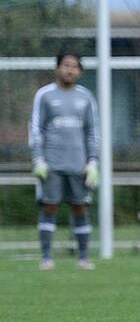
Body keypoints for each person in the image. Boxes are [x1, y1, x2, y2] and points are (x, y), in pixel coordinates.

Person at [29, 52, 100, 271]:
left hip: (79, 165)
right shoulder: (45, 95)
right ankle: (47, 257)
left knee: (80, 207)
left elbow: (92, 131)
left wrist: (93, 161)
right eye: (66, 65)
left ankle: (83, 257)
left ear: (80, 71)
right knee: (49, 207)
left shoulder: (86, 97)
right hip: (51, 164)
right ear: (57, 68)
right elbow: (36, 128)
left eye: (74, 66)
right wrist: (38, 159)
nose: (70, 70)